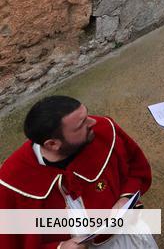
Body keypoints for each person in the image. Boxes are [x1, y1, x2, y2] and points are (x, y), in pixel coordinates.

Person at [0, 96, 155, 249]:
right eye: (82, 124)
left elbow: (136, 169)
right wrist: (59, 247)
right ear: (53, 144)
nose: (93, 122)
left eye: (86, 115)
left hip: (128, 237)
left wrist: (126, 198)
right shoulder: (13, 179)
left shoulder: (104, 131)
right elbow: (11, 242)